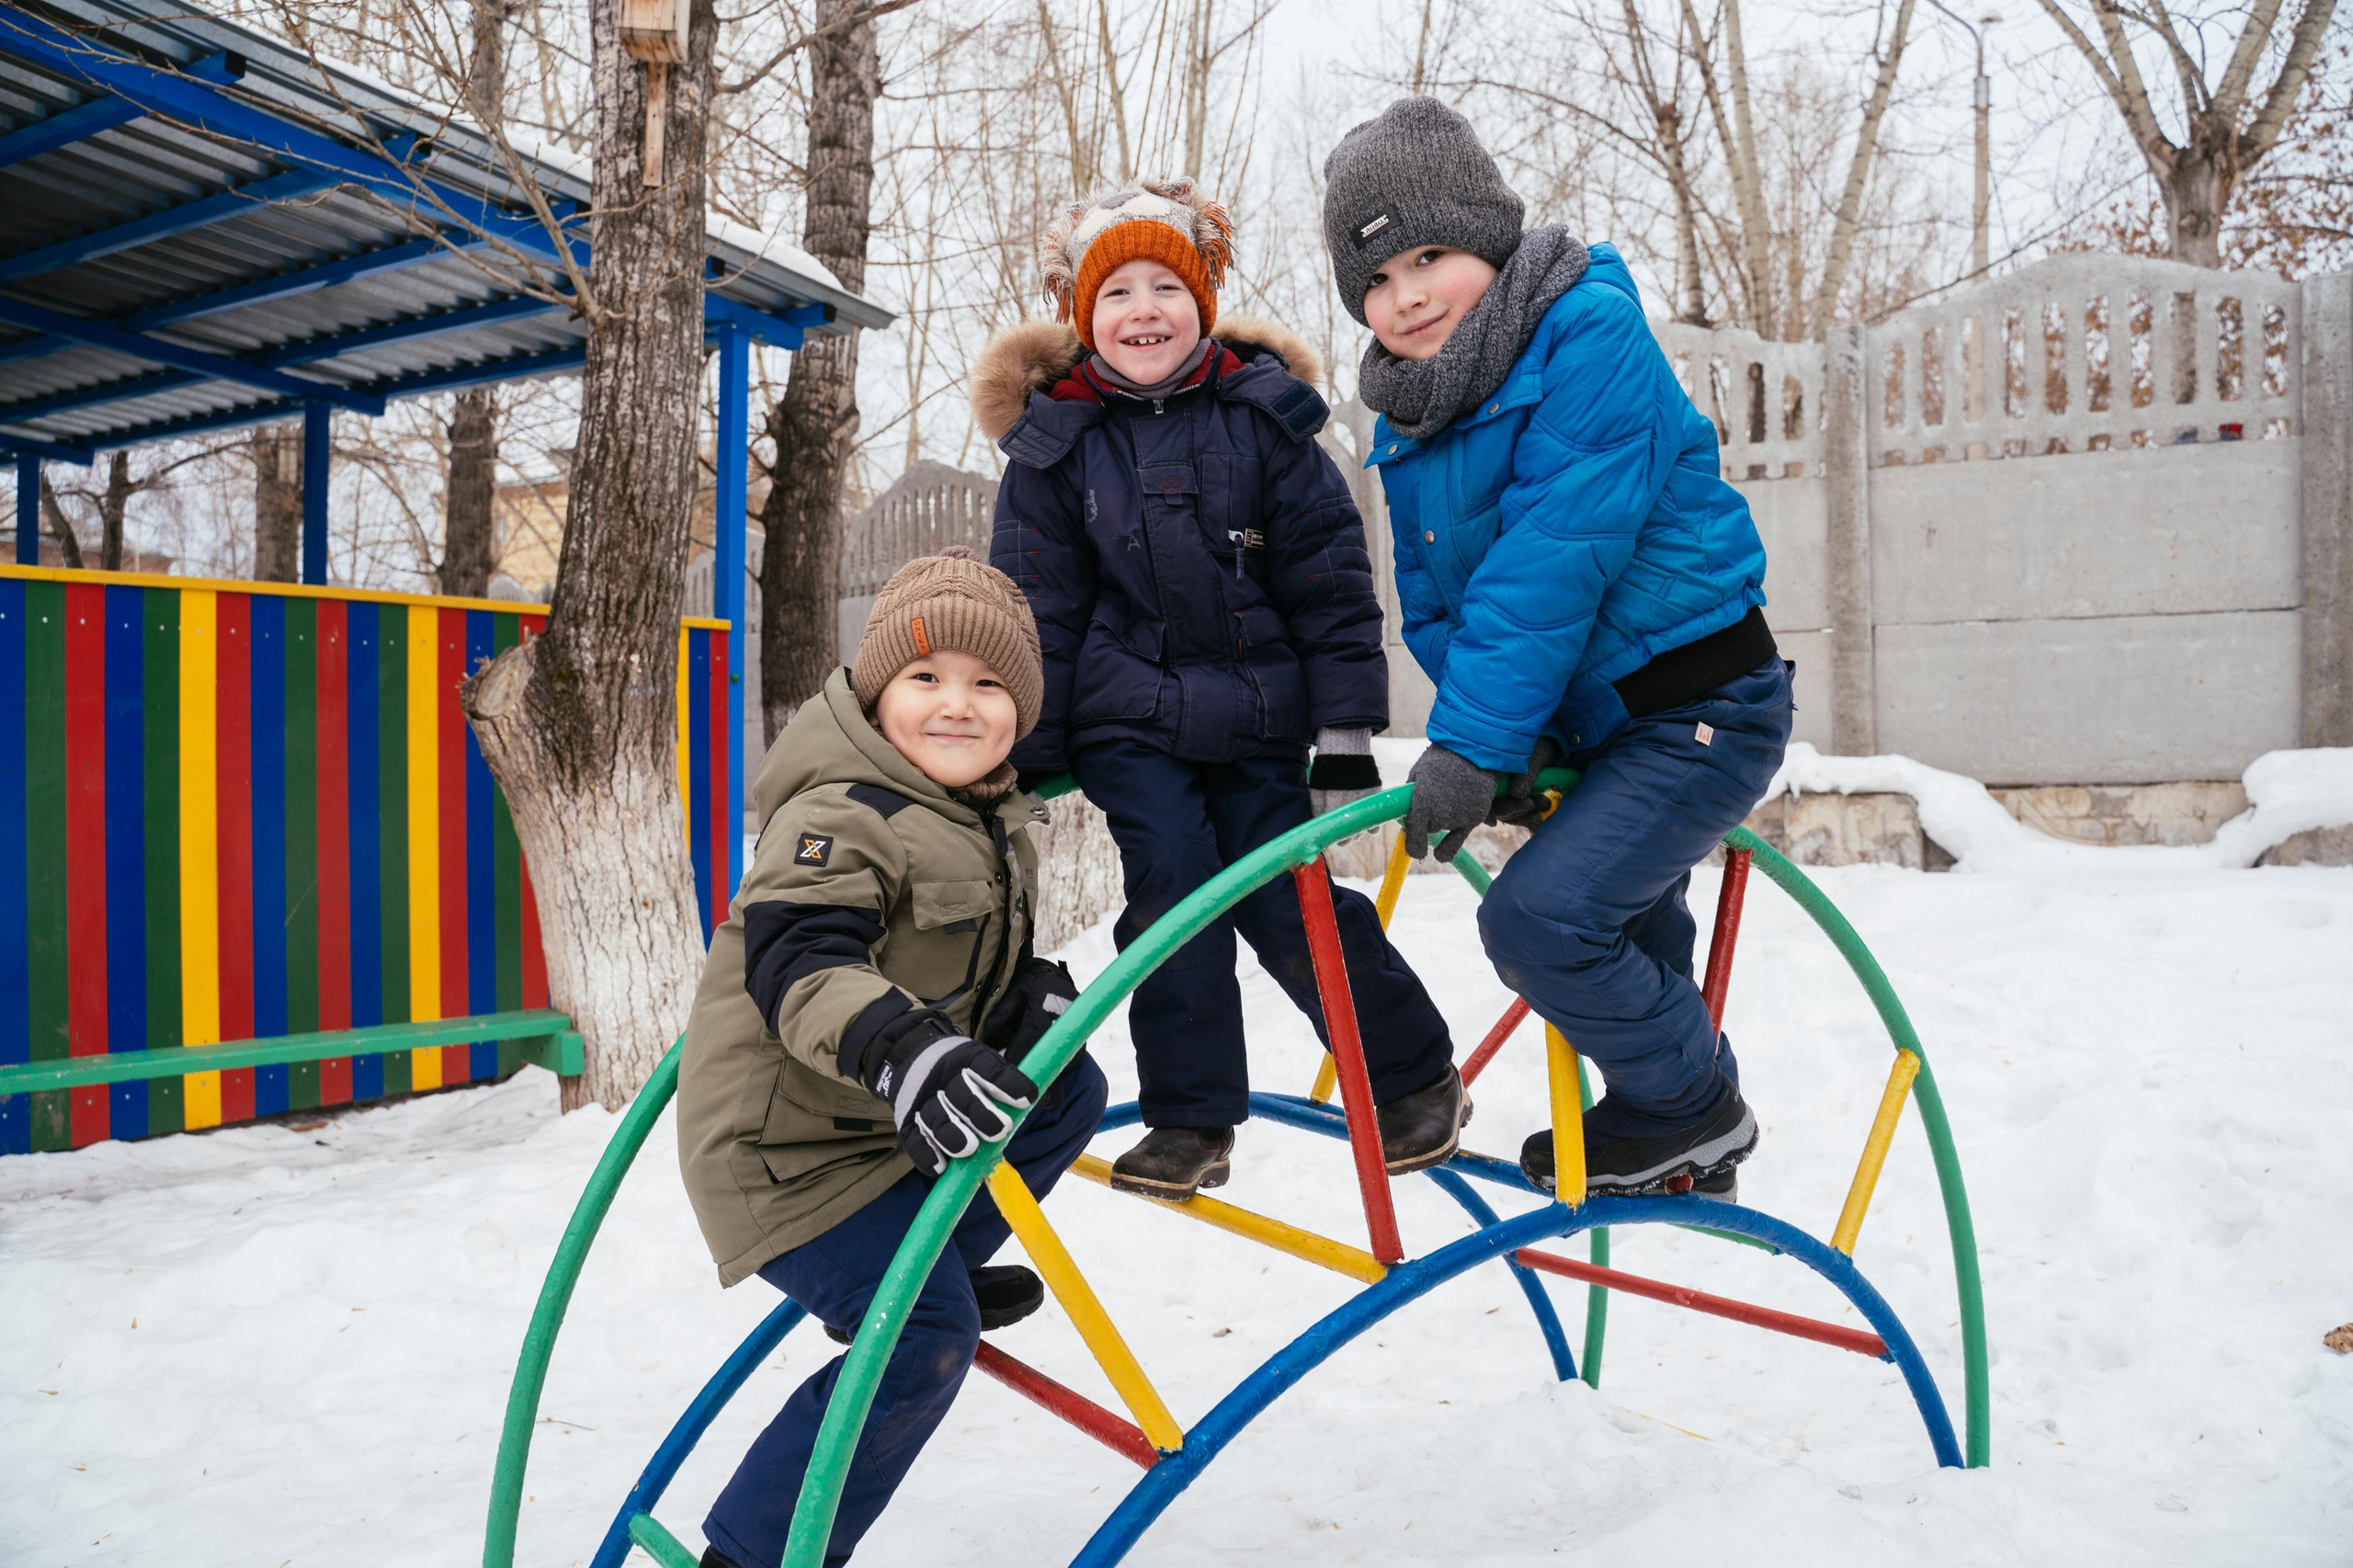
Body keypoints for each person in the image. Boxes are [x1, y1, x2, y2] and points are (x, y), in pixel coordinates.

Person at [1320, 98, 1795, 1200]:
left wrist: (1472, 739)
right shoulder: (1411, 408)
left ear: (1488, 237)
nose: (1408, 296)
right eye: (1377, 282)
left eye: (1429, 256)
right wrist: (1514, 735)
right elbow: (1435, 596)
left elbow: (1555, 553)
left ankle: (1692, 1104)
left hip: (1698, 700)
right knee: (1616, 915)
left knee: (1537, 917)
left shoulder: (1586, 328)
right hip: (1604, 723)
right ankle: (1669, 1129)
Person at [976, 176, 1466, 1199]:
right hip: (1129, 721)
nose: (1142, 309)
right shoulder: (1055, 444)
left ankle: (1415, 1072)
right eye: (1116, 293)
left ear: (1203, 301)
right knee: (1169, 898)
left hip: (1255, 712)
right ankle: (1191, 1116)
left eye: (1166, 285)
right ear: (1081, 316)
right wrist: (1032, 745)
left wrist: (1342, 721)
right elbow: (1040, 607)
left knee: (1288, 897)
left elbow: (1329, 576)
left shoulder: (1264, 422)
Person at [676, 548, 1108, 1568]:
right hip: (785, 1156)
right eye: (926, 679)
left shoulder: (982, 818)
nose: (957, 705)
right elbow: (804, 963)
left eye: (989, 683)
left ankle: (938, 1261)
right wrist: (912, 1054)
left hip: (873, 1125)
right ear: (875, 699)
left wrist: (1022, 994)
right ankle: (758, 1551)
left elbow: (947, 959)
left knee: (1062, 1087)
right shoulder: (841, 815)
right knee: (922, 1339)